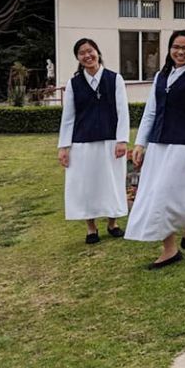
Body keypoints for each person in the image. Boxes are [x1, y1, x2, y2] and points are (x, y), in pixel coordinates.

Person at [126, 30, 185, 269]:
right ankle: (170, 249)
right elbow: (150, 112)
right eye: (177, 47)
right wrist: (140, 143)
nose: (181, 52)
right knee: (156, 196)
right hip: (158, 145)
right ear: (169, 49)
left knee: (175, 195)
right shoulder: (161, 77)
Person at [57, 38, 130, 243]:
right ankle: (91, 228)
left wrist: (122, 140)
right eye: (82, 53)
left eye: (90, 51)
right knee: (86, 185)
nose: (87, 56)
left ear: (97, 52)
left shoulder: (115, 79)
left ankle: (112, 223)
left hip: (110, 140)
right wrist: (64, 146)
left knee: (111, 182)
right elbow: (68, 116)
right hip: (83, 141)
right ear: (78, 58)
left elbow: (122, 111)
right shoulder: (74, 83)